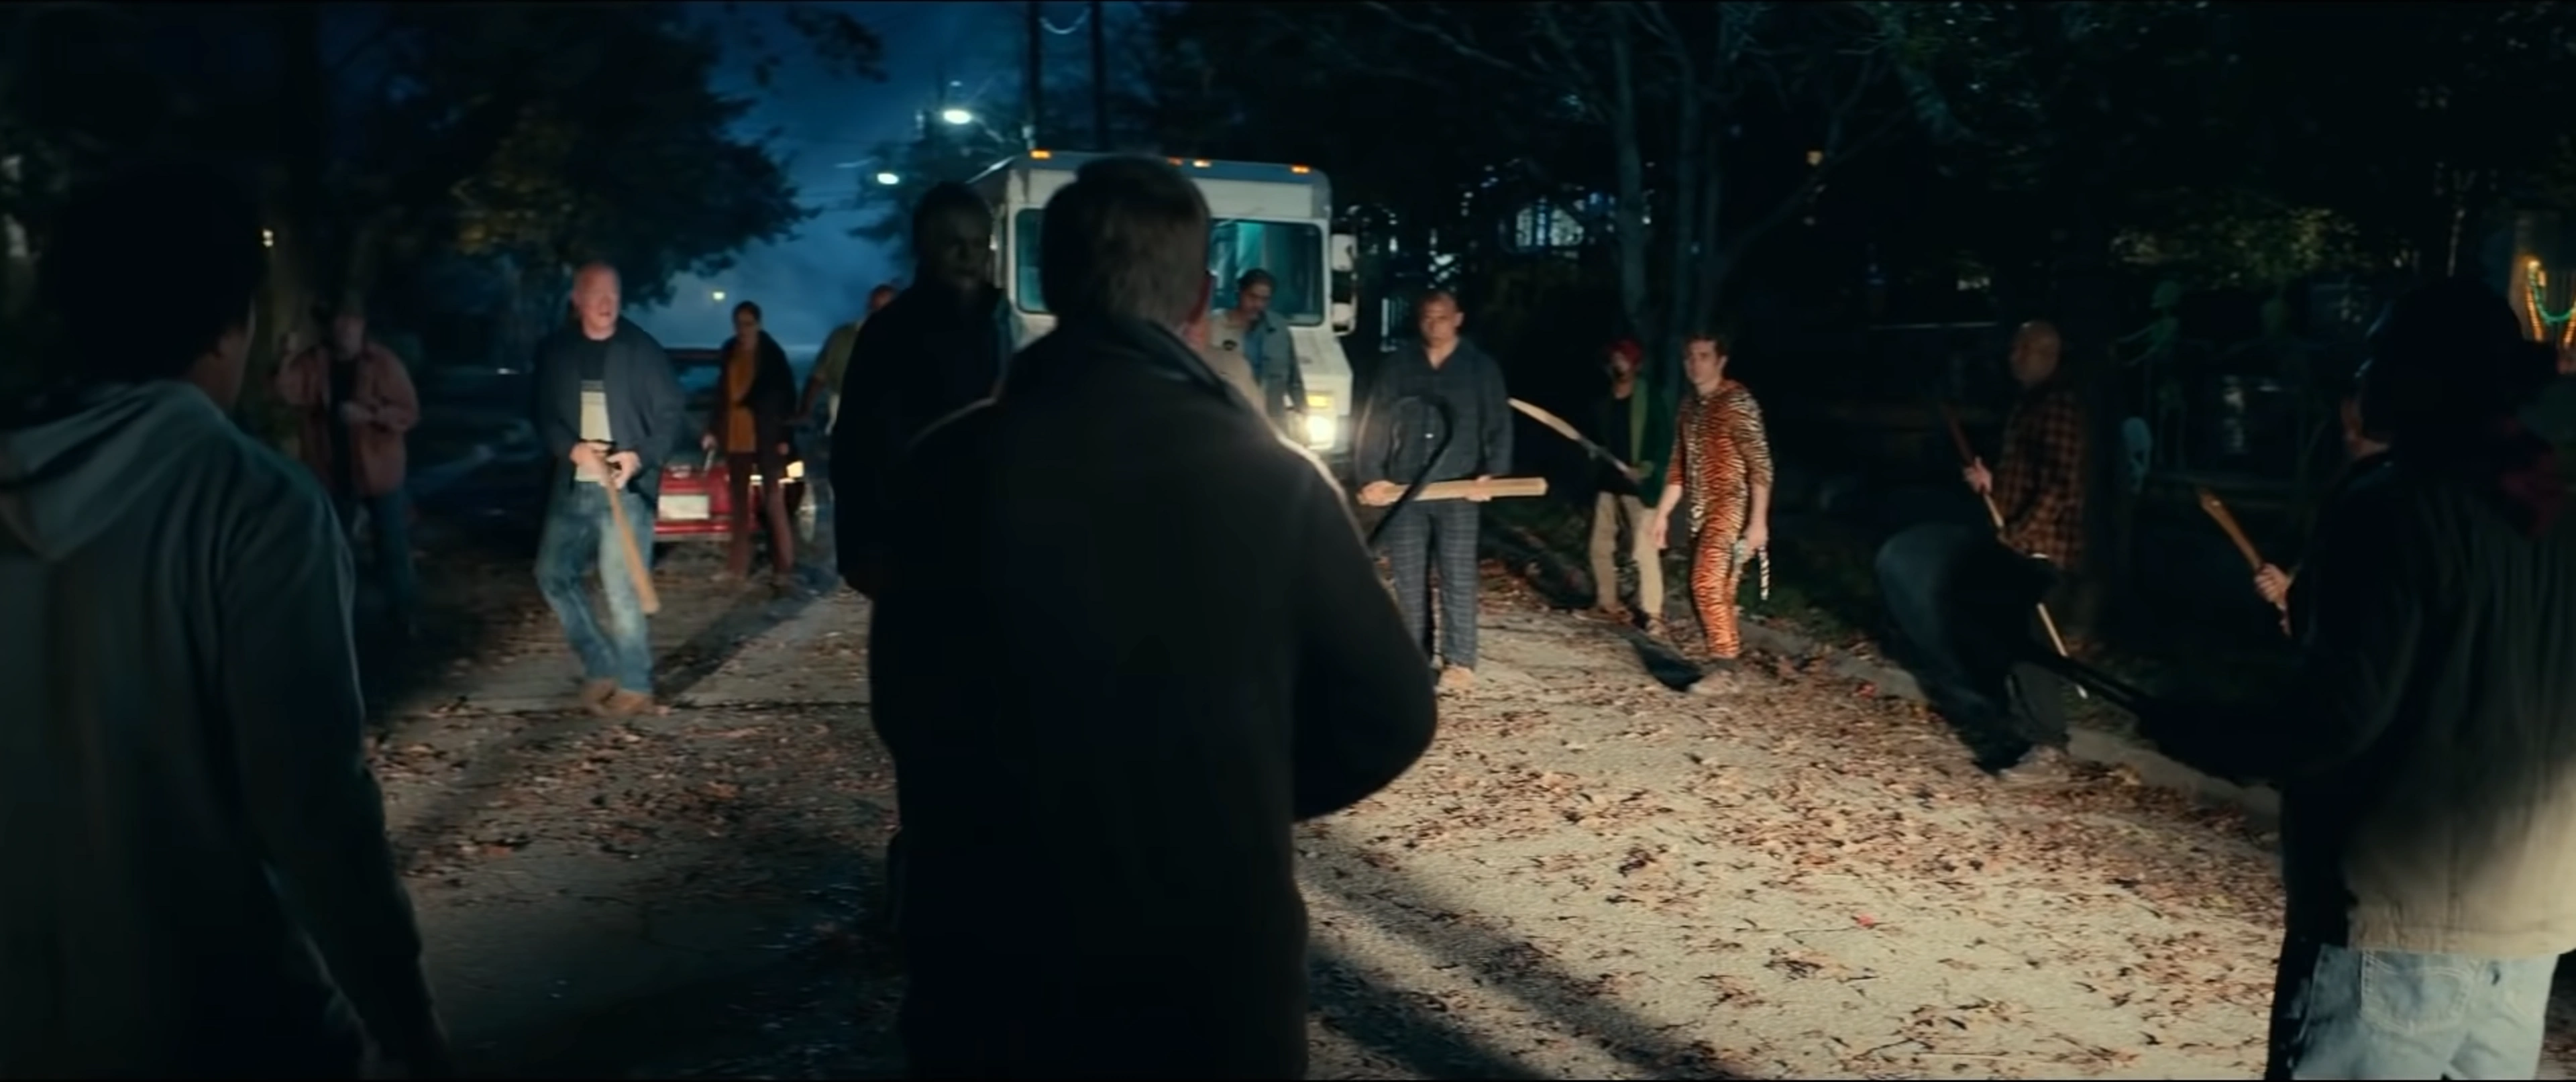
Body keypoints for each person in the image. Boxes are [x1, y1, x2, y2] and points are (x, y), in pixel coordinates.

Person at [869, 154, 1437, 1079]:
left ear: (1051, 282)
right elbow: (1394, 714)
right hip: (1209, 987)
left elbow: (905, 706)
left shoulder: (944, 470)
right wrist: (1239, 792)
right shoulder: (1276, 482)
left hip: (992, 976)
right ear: (1202, 297)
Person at [0, 163, 448, 1077]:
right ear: (227, 327)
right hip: (216, 1018)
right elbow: (314, 809)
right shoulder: (254, 506)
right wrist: (406, 1023)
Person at [2141, 278, 2576, 1081]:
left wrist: (2205, 731)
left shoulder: (2392, 506)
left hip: (2399, 911)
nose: (2363, 374)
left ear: (2427, 376)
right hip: (2531, 916)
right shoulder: (2555, 508)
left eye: (2380, 355)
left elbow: (2335, 718)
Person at [833, 184, 1019, 598]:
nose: (969, 257)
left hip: (990, 548)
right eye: (955, 244)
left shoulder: (1001, 325)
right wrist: (861, 551)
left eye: (978, 244)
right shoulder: (890, 332)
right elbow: (855, 449)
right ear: (924, 247)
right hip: (912, 548)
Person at [530, 262, 685, 717]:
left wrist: (638, 457)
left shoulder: (642, 351)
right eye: (596, 293)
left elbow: (671, 415)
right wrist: (571, 448)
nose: (606, 302)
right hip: (574, 487)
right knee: (552, 574)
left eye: (613, 293)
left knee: (622, 588)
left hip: (626, 489)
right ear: (577, 299)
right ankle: (600, 666)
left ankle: (636, 684)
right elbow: (542, 413)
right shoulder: (557, 351)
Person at [1353, 289, 1512, 693]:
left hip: (1459, 486)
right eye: (1427, 317)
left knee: (1457, 573)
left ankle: (1459, 662)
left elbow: (1497, 423)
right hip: (1406, 487)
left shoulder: (1480, 368)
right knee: (1408, 576)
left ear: (1458, 319)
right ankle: (1412, 658)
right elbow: (1376, 420)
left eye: (1442, 317)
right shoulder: (1398, 365)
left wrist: (1492, 474)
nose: (1434, 325)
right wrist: (1371, 474)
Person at [274, 302, 423, 639]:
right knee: (334, 549)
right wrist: (285, 356)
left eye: (350, 323)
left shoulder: (383, 363)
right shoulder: (316, 362)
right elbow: (286, 391)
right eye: (338, 323)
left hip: (380, 473)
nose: (343, 330)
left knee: (392, 547)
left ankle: (404, 615)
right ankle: (340, 620)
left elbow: (409, 412)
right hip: (333, 471)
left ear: (361, 325)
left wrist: (370, 415)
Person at [1647, 333, 1774, 667]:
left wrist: (1758, 522)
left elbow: (1760, 466)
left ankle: (1725, 667)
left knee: (1706, 584)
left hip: (1731, 505)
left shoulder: (1736, 402)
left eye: (1704, 356)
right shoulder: (1689, 407)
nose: (1695, 364)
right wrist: (1661, 515)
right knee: (1711, 590)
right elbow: (1678, 467)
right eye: (1690, 357)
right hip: (1699, 510)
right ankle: (1724, 662)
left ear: (1721, 361)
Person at [1962, 320, 2088, 627]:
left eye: (2024, 349)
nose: (2013, 356)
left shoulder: (2058, 406)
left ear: (2049, 355)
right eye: (2014, 348)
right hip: (2022, 543)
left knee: (2034, 637)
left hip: (2044, 551)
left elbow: (2060, 487)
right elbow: (2029, 475)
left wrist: (2018, 539)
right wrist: (1993, 484)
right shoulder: (2031, 403)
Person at [2251, 391, 2391, 625]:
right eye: (2347, 428)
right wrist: (2288, 588)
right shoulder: (2343, 488)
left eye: (2361, 430)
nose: (2350, 438)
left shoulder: (2387, 500)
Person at [700, 301, 799, 588]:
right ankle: (737, 567)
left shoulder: (771, 354)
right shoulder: (730, 350)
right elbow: (722, 394)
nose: (743, 330)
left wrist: (784, 437)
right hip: (737, 435)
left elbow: (786, 398)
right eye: (739, 324)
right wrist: (713, 429)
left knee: (773, 501)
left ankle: (783, 567)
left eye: (748, 324)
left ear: (758, 324)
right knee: (739, 504)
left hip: (766, 435)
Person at [1585, 338, 1667, 635]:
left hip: (1638, 489)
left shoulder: (1650, 400)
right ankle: (1607, 603)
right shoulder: (1605, 400)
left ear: (1636, 364)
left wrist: (1644, 469)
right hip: (1608, 483)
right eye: (1615, 359)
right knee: (1599, 546)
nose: (1619, 365)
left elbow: (1663, 443)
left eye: (1624, 359)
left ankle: (1653, 613)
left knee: (1644, 550)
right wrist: (1594, 451)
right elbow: (1600, 437)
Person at [798, 284, 897, 519]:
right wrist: (805, 410)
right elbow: (819, 376)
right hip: (851, 426)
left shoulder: (911, 339)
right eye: (876, 309)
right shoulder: (844, 338)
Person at [1212, 268, 1305, 435]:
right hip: (1229, 421)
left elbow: (1294, 379)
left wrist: (1303, 414)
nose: (1258, 305)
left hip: (1272, 422)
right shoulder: (1215, 327)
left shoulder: (1278, 329)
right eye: (1252, 297)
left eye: (1264, 300)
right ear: (1239, 293)